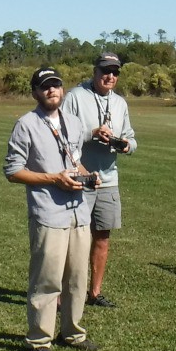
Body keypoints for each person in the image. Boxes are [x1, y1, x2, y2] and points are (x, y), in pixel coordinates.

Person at [3, 66, 100, 351]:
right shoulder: (26, 125)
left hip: (78, 213)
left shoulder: (73, 122)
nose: (51, 90)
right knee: (47, 280)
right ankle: (39, 340)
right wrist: (53, 179)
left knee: (77, 279)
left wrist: (87, 175)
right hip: (48, 214)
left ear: (63, 89)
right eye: (45, 86)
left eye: (55, 85)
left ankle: (73, 333)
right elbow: (13, 171)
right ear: (35, 92)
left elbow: (75, 161)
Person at [61, 52, 137, 308]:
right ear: (95, 71)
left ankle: (94, 293)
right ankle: (64, 295)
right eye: (105, 71)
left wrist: (126, 145)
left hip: (108, 180)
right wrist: (92, 133)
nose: (110, 76)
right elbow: (62, 135)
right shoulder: (75, 97)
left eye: (115, 72)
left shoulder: (120, 103)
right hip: (80, 179)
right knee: (74, 239)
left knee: (102, 237)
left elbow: (131, 138)